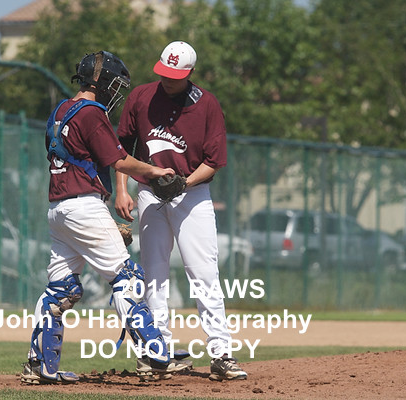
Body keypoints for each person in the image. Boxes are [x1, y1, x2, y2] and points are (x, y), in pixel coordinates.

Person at [20, 51, 191, 384]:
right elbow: (120, 160)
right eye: (114, 84)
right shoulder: (91, 112)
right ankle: (156, 355)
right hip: (83, 206)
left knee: (60, 290)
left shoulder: (60, 110)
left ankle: (40, 364)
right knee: (128, 277)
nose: (115, 92)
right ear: (98, 82)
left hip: (59, 209)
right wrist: (155, 170)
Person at [114, 41, 248, 381]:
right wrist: (122, 189)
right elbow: (122, 148)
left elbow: (214, 161)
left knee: (203, 273)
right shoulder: (142, 97)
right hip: (149, 193)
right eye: (164, 73)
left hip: (193, 195)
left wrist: (184, 183)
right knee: (154, 274)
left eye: (175, 76)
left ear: (190, 73)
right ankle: (156, 352)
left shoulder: (206, 104)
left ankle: (221, 353)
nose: (168, 80)